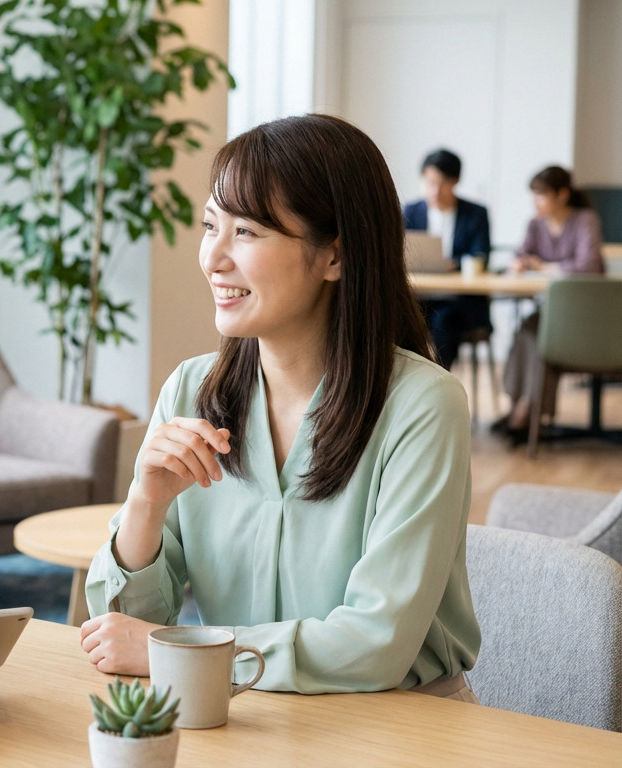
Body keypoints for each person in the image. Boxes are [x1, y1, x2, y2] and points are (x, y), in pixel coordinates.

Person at [79, 114, 480, 702]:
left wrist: (185, 649)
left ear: (335, 257)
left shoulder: (422, 405)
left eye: (246, 233)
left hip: (396, 725)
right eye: (210, 226)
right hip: (239, 714)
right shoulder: (193, 390)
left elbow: (376, 644)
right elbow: (120, 631)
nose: (213, 258)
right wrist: (144, 502)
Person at [494, 165, 605, 441]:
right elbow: (520, 255)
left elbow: (589, 266)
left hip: (589, 315)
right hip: (553, 311)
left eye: (542, 195)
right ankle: (522, 406)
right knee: (528, 331)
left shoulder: (585, 220)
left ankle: (525, 409)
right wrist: (519, 263)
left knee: (538, 330)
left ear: (563, 195)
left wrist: (545, 267)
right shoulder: (535, 224)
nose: (536, 202)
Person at [403, 149, 492, 370]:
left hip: (459, 300)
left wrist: (456, 264)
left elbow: (482, 255)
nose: (434, 190)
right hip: (419, 296)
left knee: (444, 322)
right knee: (396, 318)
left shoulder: (476, 214)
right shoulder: (411, 211)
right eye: (429, 182)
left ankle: (438, 381)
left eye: (442, 183)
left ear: (455, 182)